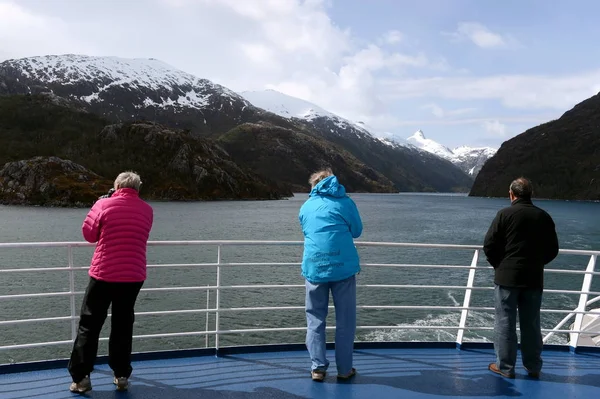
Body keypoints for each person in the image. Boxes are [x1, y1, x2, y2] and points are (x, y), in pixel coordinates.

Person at [68, 171, 154, 393]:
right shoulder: (147, 210)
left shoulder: (103, 205)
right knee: (123, 326)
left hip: (104, 274)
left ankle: (81, 378)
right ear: (138, 189)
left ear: (116, 186)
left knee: (90, 324)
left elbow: (89, 235)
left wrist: (99, 204)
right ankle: (122, 375)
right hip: (133, 276)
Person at [483, 177, 559, 379]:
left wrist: (500, 265)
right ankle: (533, 366)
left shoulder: (504, 214)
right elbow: (553, 250)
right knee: (531, 323)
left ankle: (506, 368)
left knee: (505, 323)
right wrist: (537, 264)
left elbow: (489, 245)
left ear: (511, 194)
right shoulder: (543, 216)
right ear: (530, 194)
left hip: (506, 278)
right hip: (533, 278)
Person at [298, 168, 363, 382]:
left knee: (315, 319)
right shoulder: (345, 203)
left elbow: (307, 230)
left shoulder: (306, 206)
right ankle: (344, 370)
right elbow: (357, 231)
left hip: (315, 268)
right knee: (345, 321)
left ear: (314, 186)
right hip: (343, 269)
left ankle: (318, 368)